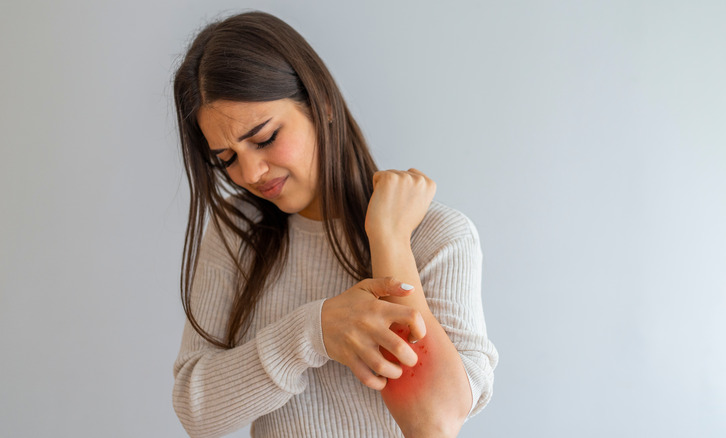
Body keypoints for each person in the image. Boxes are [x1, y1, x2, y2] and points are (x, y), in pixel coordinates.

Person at [171, 11, 498, 438]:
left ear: (321, 103)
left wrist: (389, 238)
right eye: (227, 158)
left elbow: (433, 422)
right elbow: (198, 414)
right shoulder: (237, 232)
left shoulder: (437, 237)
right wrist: (315, 331)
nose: (250, 173)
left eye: (264, 138)